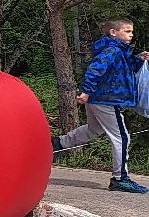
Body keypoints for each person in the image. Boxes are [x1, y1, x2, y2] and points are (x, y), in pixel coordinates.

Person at [53, 18, 149, 193]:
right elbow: (95, 70)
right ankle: (120, 178)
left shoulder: (120, 51)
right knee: (122, 137)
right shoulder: (112, 50)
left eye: (132, 31)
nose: (131, 34)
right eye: (127, 31)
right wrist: (86, 91)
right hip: (107, 99)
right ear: (113, 32)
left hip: (99, 99)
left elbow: (124, 69)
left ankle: (58, 143)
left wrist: (139, 59)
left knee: (93, 129)